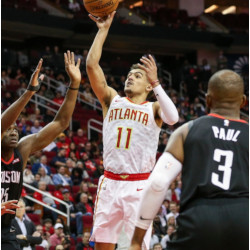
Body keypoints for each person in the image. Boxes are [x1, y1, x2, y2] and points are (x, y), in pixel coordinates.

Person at [86, 12, 179, 250]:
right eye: (129, 75)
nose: (130, 78)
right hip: (110, 182)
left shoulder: (154, 107)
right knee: (103, 246)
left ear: (148, 85)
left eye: (137, 76)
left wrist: (157, 83)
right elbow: (91, 65)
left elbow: (173, 118)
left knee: (137, 247)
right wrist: (102, 30)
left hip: (138, 186)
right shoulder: (111, 99)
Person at [129, 70, 248, 250]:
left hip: (199, 219)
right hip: (244, 219)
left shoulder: (186, 131)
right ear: (243, 102)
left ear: (207, 100)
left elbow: (158, 184)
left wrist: (137, 240)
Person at [1, 51, 81, 249]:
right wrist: (29, 91)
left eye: (15, 129)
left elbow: (61, 122)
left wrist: (74, 85)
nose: (13, 131)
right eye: (7, 130)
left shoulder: (23, 150)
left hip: (5, 229)